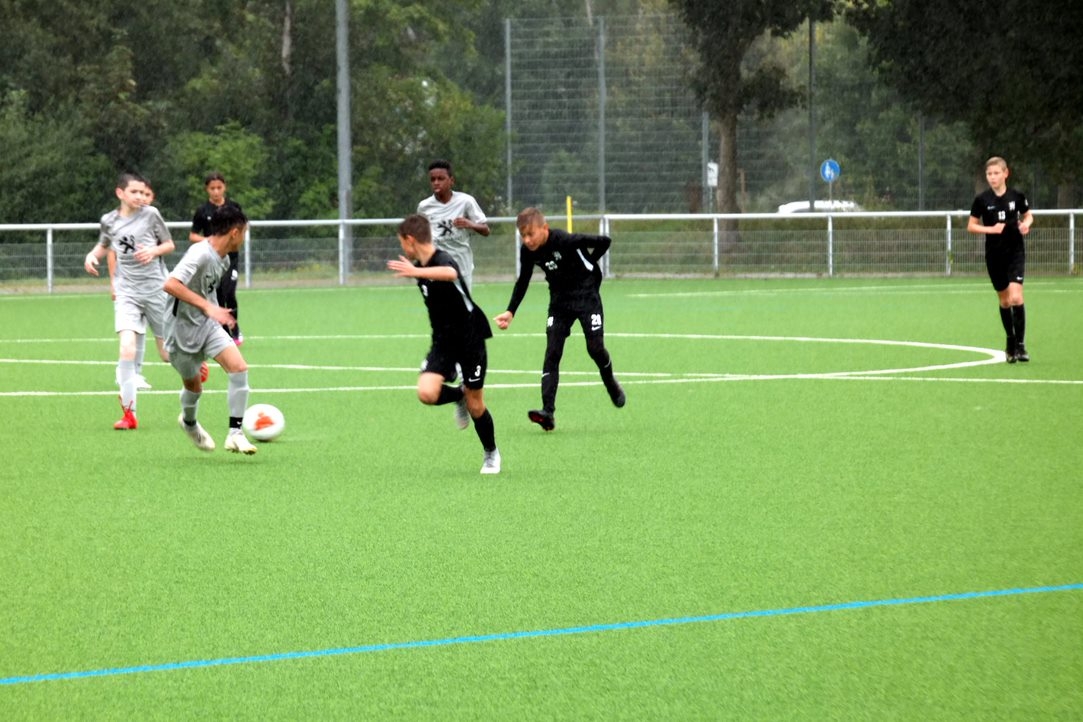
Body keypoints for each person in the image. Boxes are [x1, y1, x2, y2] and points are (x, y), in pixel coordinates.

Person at [387, 213, 501, 474]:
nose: (402, 247)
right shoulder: (420, 266)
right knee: (427, 393)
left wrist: (416, 271)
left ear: (410, 239)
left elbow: (450, 273)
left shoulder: (442, 259)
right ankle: (458, 395)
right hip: (443, 340)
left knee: (476, 405)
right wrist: (417, 270)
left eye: (401, 242)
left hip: (470, 338)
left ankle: (491, 453)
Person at [494, 206, 624, 432]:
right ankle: (548, 413)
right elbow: (523, 280)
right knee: (552, 352)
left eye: (530, 234)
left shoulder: (564, 240)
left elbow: (605, 241)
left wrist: (590, 263)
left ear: (544, 228)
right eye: (523, 235)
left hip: (586, 296)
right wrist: (510, 311)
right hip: (559, 302)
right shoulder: (528, 251)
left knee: (595, 349)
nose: (527, 240)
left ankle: (610, 382)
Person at [84, 172, 175, 429]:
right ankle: (129, 414)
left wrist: (153, 250)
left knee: (167, 354)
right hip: (127, 292)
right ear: (120, 193)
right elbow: (104, 245)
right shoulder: (109, 220)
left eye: (142, 192)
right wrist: (92, 256)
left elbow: (169, 244)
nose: (139, 197)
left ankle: (195, 362)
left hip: (156, 290)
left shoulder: (151, 214)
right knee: (126, 349)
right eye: (134, 192)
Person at [165, 203, 257, 455]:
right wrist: (208, 307)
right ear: (235, 233)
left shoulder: (223, 259)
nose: (244, 238)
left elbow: (207, 292)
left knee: (239, 368)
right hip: (181, 331)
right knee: (194, 388)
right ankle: (189, 422)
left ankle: (235, 434)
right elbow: (170, 284)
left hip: (207, 325)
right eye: (244, 232)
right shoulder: (200, 254)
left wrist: (216, 313)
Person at [967, 156, 1034, 363]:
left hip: (1015, 253)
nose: (992, 177)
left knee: (1016, 297)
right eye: (989, 174)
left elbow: (1028, 215)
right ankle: (1010, 341)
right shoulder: (982, 200)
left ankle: (1021, 346)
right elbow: (971, 226)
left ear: (1006, 173)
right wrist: (991, 229)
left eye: (996, 173)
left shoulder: (1017, 196)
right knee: (1004, 301)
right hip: (994, 256)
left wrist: (1026, 224)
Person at [416, 159, 490, 290]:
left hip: (462, 266)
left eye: (441, 178)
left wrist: (470, 224)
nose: (436, 182)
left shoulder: (466, 201)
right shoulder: (424, 206)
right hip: (437, 267)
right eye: (433, 179)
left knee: (462, 303)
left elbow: (486, 230)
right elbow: (421, 236)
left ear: (451, 181)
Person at [190, 171, 245, 345]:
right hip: (212, 259)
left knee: (229, 292)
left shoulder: (233, 207)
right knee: (218, 294)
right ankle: (223, 332)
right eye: (212, 188)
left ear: (224, 187)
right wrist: (210, 241)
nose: (216, 191)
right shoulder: (202, 211)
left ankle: (235, 328)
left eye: (219, 187)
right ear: (207, 189)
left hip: (231, 258)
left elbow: (242, 227)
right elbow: (193, 235)